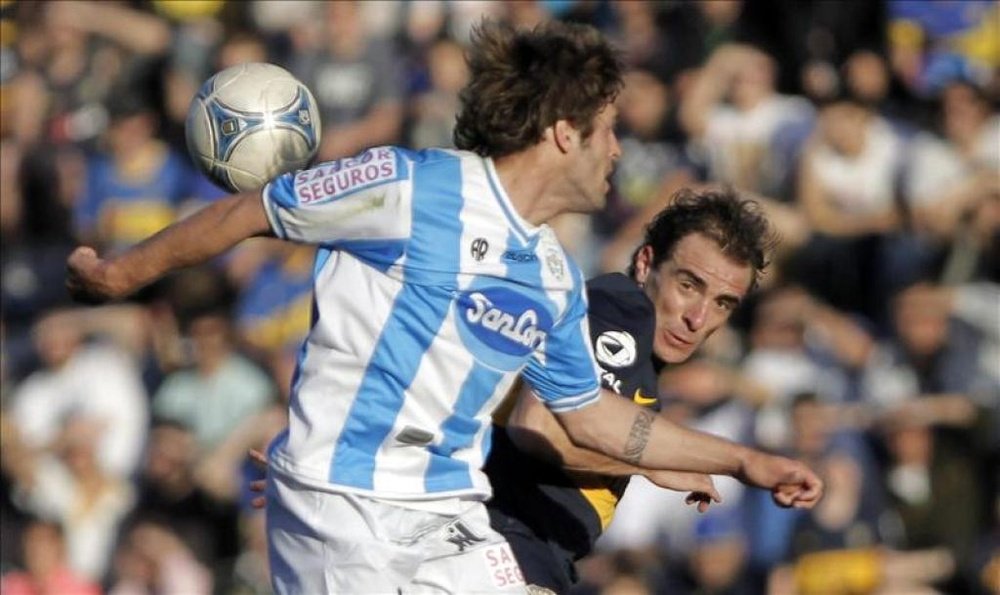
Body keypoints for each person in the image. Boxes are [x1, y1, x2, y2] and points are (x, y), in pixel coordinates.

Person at [67, 20, 822, 594]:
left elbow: (589, 416)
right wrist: (118, 273)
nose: (619, 151)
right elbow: (253, 211)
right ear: (565, 132)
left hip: (445, 510)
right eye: (608, 130)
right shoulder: (410, 184)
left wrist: (744, 458)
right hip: (341, 503)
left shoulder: (554, 274)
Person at [485, 187, 814, 593]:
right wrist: (653, 465)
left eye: (723, 303)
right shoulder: (620, 310)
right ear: (646, 263)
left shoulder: (643, 358)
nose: (698, 318)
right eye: (689, 285)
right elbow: (541, 427)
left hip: (526, 552)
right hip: (503, 545)